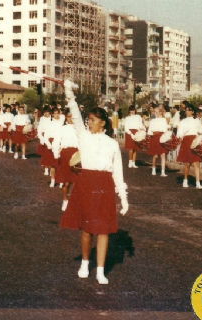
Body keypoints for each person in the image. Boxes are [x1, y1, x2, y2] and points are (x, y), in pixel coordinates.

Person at [60, 81, 128, 285]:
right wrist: (69, 92)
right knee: (87, 229)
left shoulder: (113, 144)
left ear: (103, 123)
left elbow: (118, 173)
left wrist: (123, 198)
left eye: (92, 120)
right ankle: (84, 263)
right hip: (87, 183)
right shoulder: (83, 136)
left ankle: (100, 270)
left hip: (104, 185)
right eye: (88, 119)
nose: (88, 122)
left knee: (104, 230)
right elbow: (75, 114)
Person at [52, 109, 79, 211]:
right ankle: (65, 200)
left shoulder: (79, 129)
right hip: (65, 155)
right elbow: (56, 142)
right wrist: (56, 154)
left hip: (77, 155)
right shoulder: (62, 129)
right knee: (66, 182)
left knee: (77, 181)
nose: (71, 119)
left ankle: (75, 201)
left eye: (73, 117)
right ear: (66, 118)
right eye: (69, 117)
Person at [176, 105, 202, 189]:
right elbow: (180, 133)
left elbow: (200, 132)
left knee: (197, 162)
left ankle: (198, 182)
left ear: (193, 112)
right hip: (186, 141)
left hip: (195, 140)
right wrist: (180, 138)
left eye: (189, 110)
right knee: (188, 163)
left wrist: (200, 140)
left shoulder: (197, 121)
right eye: (186, 110)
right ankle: (185, 180)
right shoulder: (183, 121)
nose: (187, 112)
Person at [43, 107, 63, 187]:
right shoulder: (49, 124)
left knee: (61, 163)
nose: (57, 115)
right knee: (52, 164)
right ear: (52, 114)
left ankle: (61, 180)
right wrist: (49, 144)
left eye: (58, 113)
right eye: (55, 113)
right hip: (52, 142)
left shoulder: (62, 123)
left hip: (61, 143)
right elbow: (46, 136)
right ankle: (53, 180)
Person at [147, 105, 170, 177]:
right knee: (155, 156)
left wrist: (166, 136)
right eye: (154, 112)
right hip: (154, 137)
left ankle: (163, 171)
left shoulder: (164, 120)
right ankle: (154, 168)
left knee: (163, 155)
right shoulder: (153, 121)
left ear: (160, 113)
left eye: (156, 112)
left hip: (162, 137)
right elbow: (150, 130)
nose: (155, 114)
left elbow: (166, 129)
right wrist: (151, 135)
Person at [37, 106, 52, 175]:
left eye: (47, 112)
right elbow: (40, 128)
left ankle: (51, 168)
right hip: (44, 135)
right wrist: (41, 138)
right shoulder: (42, 119)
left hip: (51, 136)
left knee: (52, 154)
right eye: (45, 112)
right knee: (46, 153)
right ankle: (46, 169)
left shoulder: (52, 119)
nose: (46, 113)